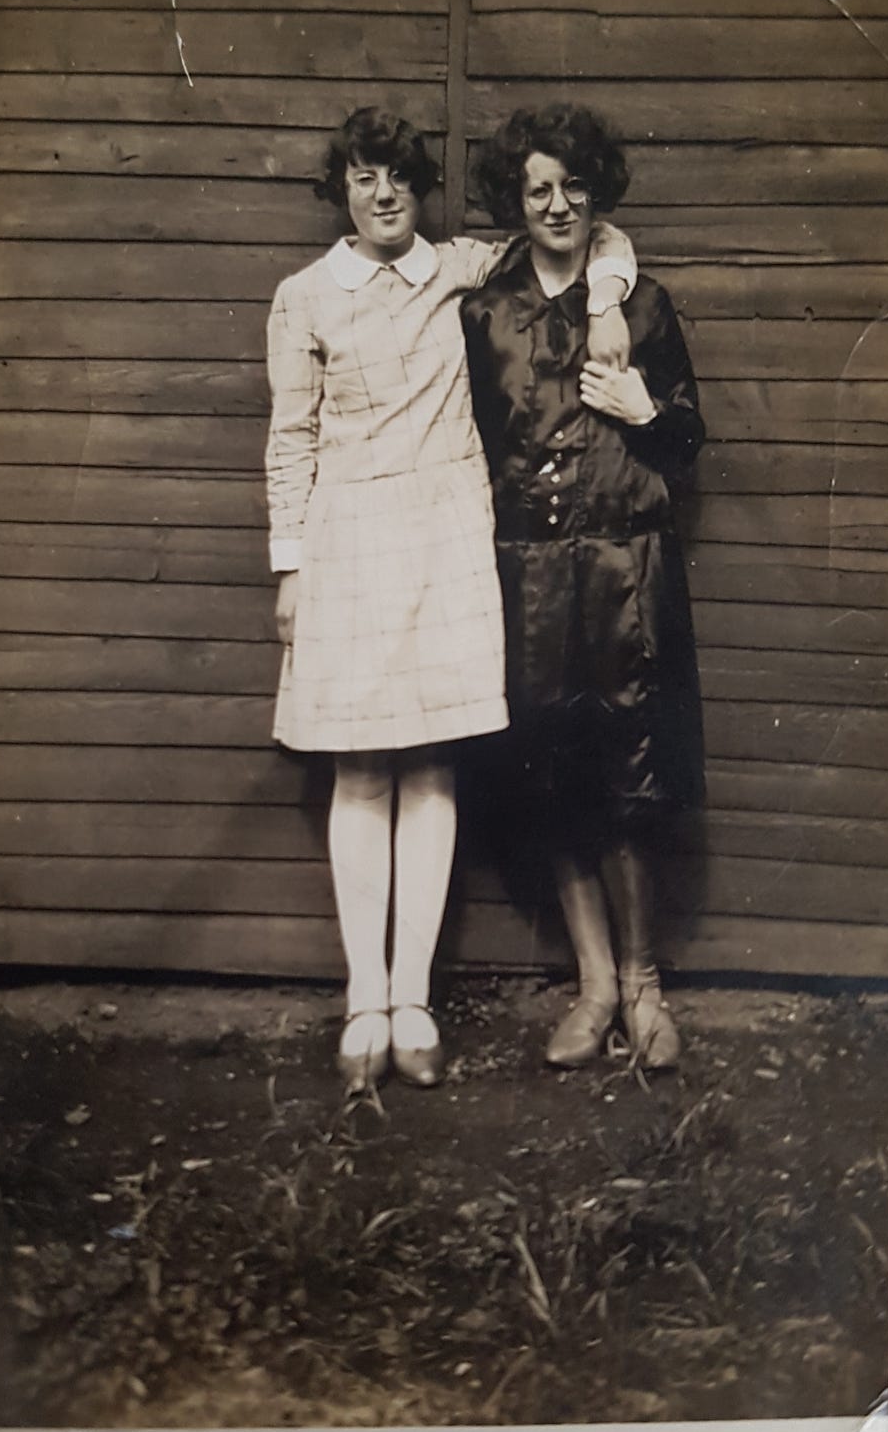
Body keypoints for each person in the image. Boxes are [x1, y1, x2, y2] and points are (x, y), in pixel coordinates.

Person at [264, 107, 637, 1094]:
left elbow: (588, 232)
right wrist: (290, 569)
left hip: (444, 541)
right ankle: (364, 1004)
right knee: (361, 770)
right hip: (348, 547)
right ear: (340, 190)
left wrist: (606, 299)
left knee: (430, 765)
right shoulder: (303, 299)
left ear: (419, 188)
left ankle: (415, 1002)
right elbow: (288, 441)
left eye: (396, 176)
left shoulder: (459, 269)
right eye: (362, 176)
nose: (382, 193)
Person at [461, 104, 706, 1072]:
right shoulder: (484, 314)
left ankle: (644, 988)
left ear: (595, 194)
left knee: (630, 777)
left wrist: (648, 408)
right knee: (553, 780)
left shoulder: (643, 306)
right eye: (537, 190)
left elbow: (688, 441)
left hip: (627, 575)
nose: (556, 206)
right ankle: (595, 983)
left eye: (572, 188)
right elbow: (466, 447)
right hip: (527, 582)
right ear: (515, 204)